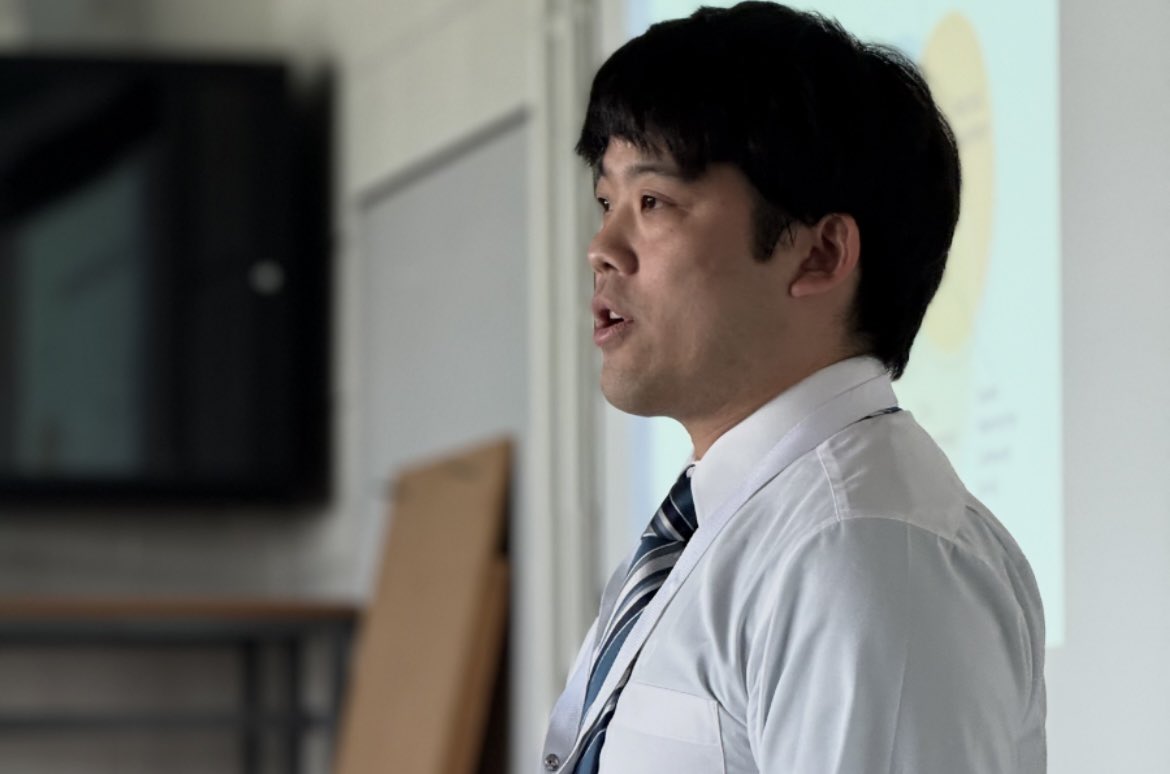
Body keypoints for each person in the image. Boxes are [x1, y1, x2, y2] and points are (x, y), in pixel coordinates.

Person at [539, 2, 1046, 774]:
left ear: (818, 255)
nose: (602, 248)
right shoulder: (721, 526)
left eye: (653, 203)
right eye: (607, 202)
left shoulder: (863, 547)